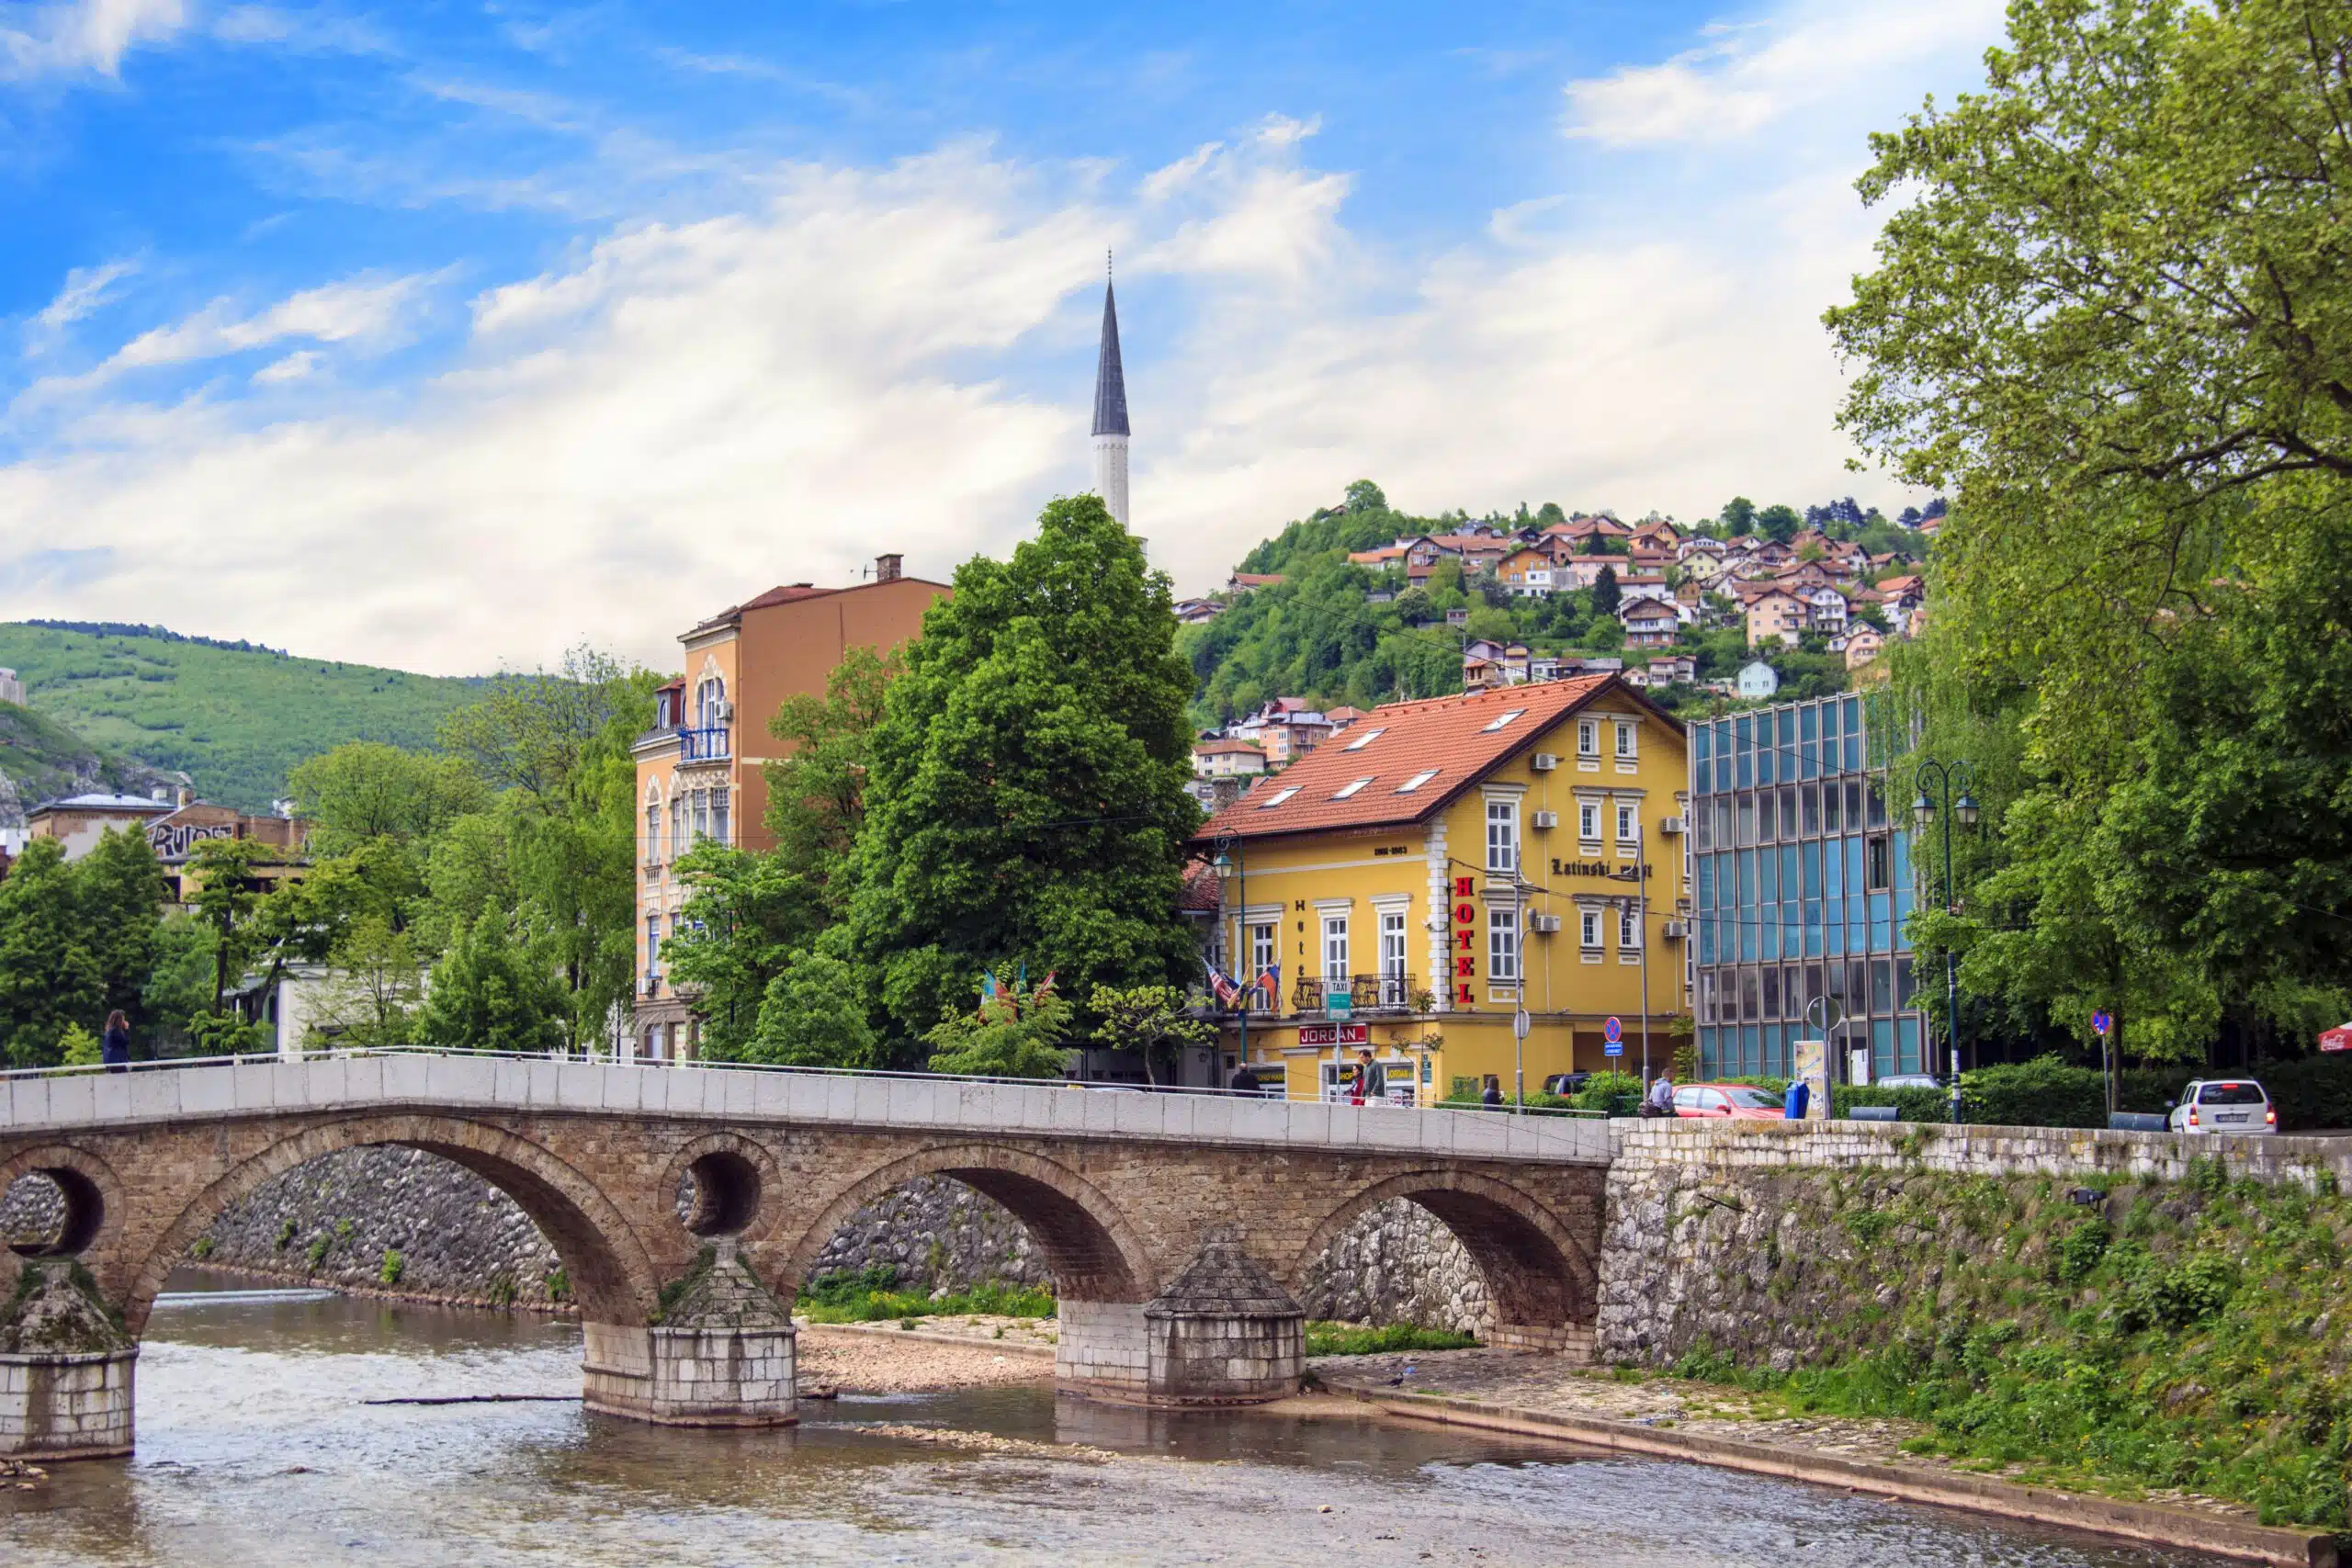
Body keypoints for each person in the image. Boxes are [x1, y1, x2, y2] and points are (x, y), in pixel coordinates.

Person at [100, 1010, 131, 1074]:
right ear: (118, 1020)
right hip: (116, 1062)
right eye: (122, 1019)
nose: (124, 1021)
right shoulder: (115, 1031)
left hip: (110, 1062)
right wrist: (126, 1029)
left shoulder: (109, 1031)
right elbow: (126, 1041)